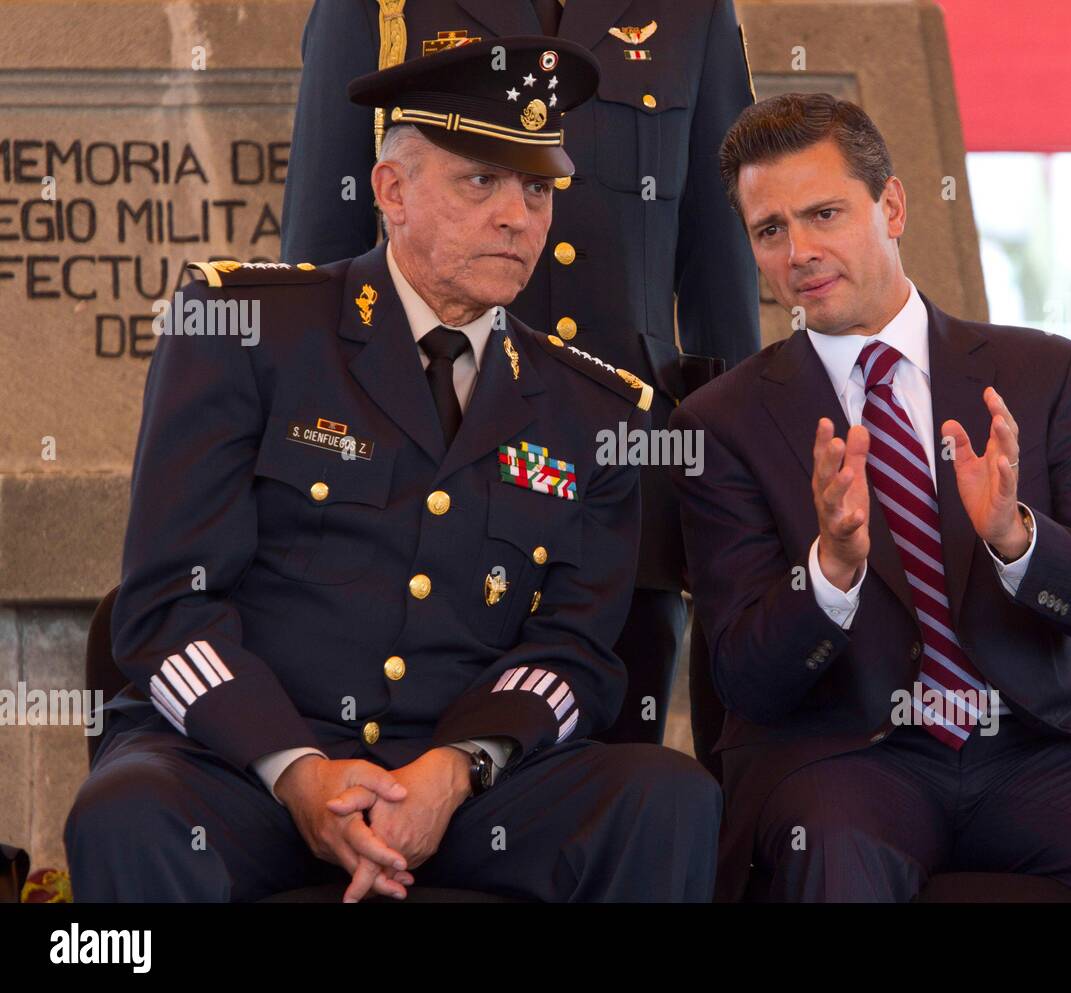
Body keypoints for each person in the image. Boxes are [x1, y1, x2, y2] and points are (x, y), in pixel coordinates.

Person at [64, 37, 720, 903]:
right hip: (246, 770)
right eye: (481, 181)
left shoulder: (593, 411)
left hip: (466, 794)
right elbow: (163, 607)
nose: (518, 217)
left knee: (665, 800)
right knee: (126, 812)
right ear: (391, 191)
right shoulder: (244, 331)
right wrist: (298, 772)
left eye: (537, 188)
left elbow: (574, 651)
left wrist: (454, 771)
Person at [669, 92, 1071, 902]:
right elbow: (742, 677)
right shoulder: (720, 422)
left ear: (894, 205)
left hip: (1032, 751)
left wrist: (1019, 538)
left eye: (825, 213)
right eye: (770, 230)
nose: (799, 250)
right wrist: (831, 571)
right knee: (837, 859)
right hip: (850, 761)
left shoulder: (1042, 375)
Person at [279, 0, 762, 746]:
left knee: (612, 786)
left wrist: (741, 486)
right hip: (428, 472)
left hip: (627, 480)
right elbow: (322, 252)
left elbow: (720, 267)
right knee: (413, 780)